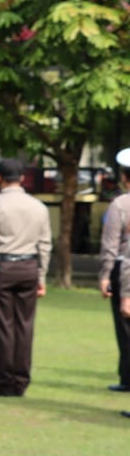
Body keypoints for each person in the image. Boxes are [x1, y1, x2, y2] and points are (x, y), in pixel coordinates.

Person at [0, 158, 52, 397]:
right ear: (23, 178)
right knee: (24, 326)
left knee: (2, 327)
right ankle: (21, 379)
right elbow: (45, 245)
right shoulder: (39, 207)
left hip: (2, 268)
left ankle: (5, 380)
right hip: (29, 267)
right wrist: (42, 277)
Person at [100, 148, 130, 394]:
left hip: (124, 269)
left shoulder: (120, 204)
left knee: (125, 329)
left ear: (124, 177)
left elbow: (110, 244)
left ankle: (127, 376)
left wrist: (105, 275)